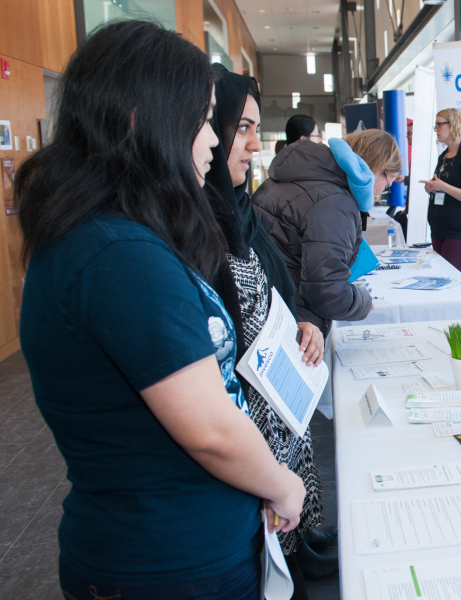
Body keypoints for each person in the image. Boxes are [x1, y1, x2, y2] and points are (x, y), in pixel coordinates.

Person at [15, 21, 306, 599]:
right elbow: (210, 430)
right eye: (201, 122)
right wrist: (280, 484)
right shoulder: (118, 254)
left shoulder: (115, 237)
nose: (213, 142)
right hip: (169, 564)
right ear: (139, 119)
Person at [203, 64, 336, 589]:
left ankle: (301, 544)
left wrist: (306, 323)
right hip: (246, 427)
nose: (255, 145)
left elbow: (276, 287)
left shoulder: (240, 210)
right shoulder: (192, 224)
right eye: (243, 128)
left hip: (279, 400)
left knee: (290, 533)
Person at [253, 128, 402, 337]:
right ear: (377, 169)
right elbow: (328, 294)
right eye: (386, 185)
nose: (380, 193)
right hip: (296, 322)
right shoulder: (336, 202)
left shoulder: (298, 174)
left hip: (268, 306)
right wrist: (362, 301)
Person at [420, 108, 461, 273]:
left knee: (449, 279)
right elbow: (442, 187)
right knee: (437, 278)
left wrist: (443, 187)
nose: (436, 129)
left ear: (453, 125)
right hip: (439, 226)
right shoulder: (443, 156)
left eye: (439, 125)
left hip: (460, 230)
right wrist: (432, 188)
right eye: (435, 126)